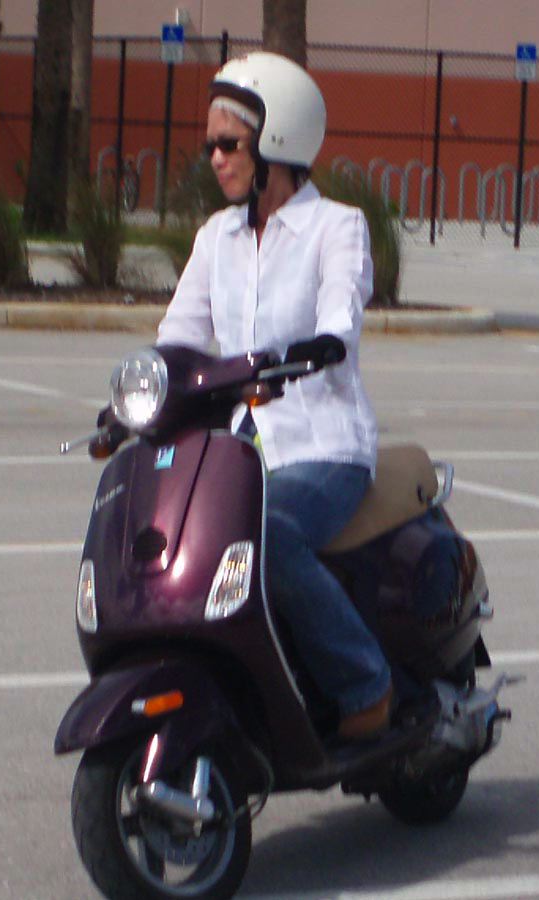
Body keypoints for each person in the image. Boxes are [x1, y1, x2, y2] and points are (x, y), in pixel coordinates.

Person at [156, 52, 393, 741]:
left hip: (323, 447)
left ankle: (365, 685)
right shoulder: (216, 237)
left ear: (276, 141)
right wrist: (142, 390)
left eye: (229, 144)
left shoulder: (337, 227)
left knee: (265, 535)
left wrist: (323, 345)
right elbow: (178, 337)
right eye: (210, 145)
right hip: (239, 451)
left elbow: (341, 308)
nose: (215, 158)